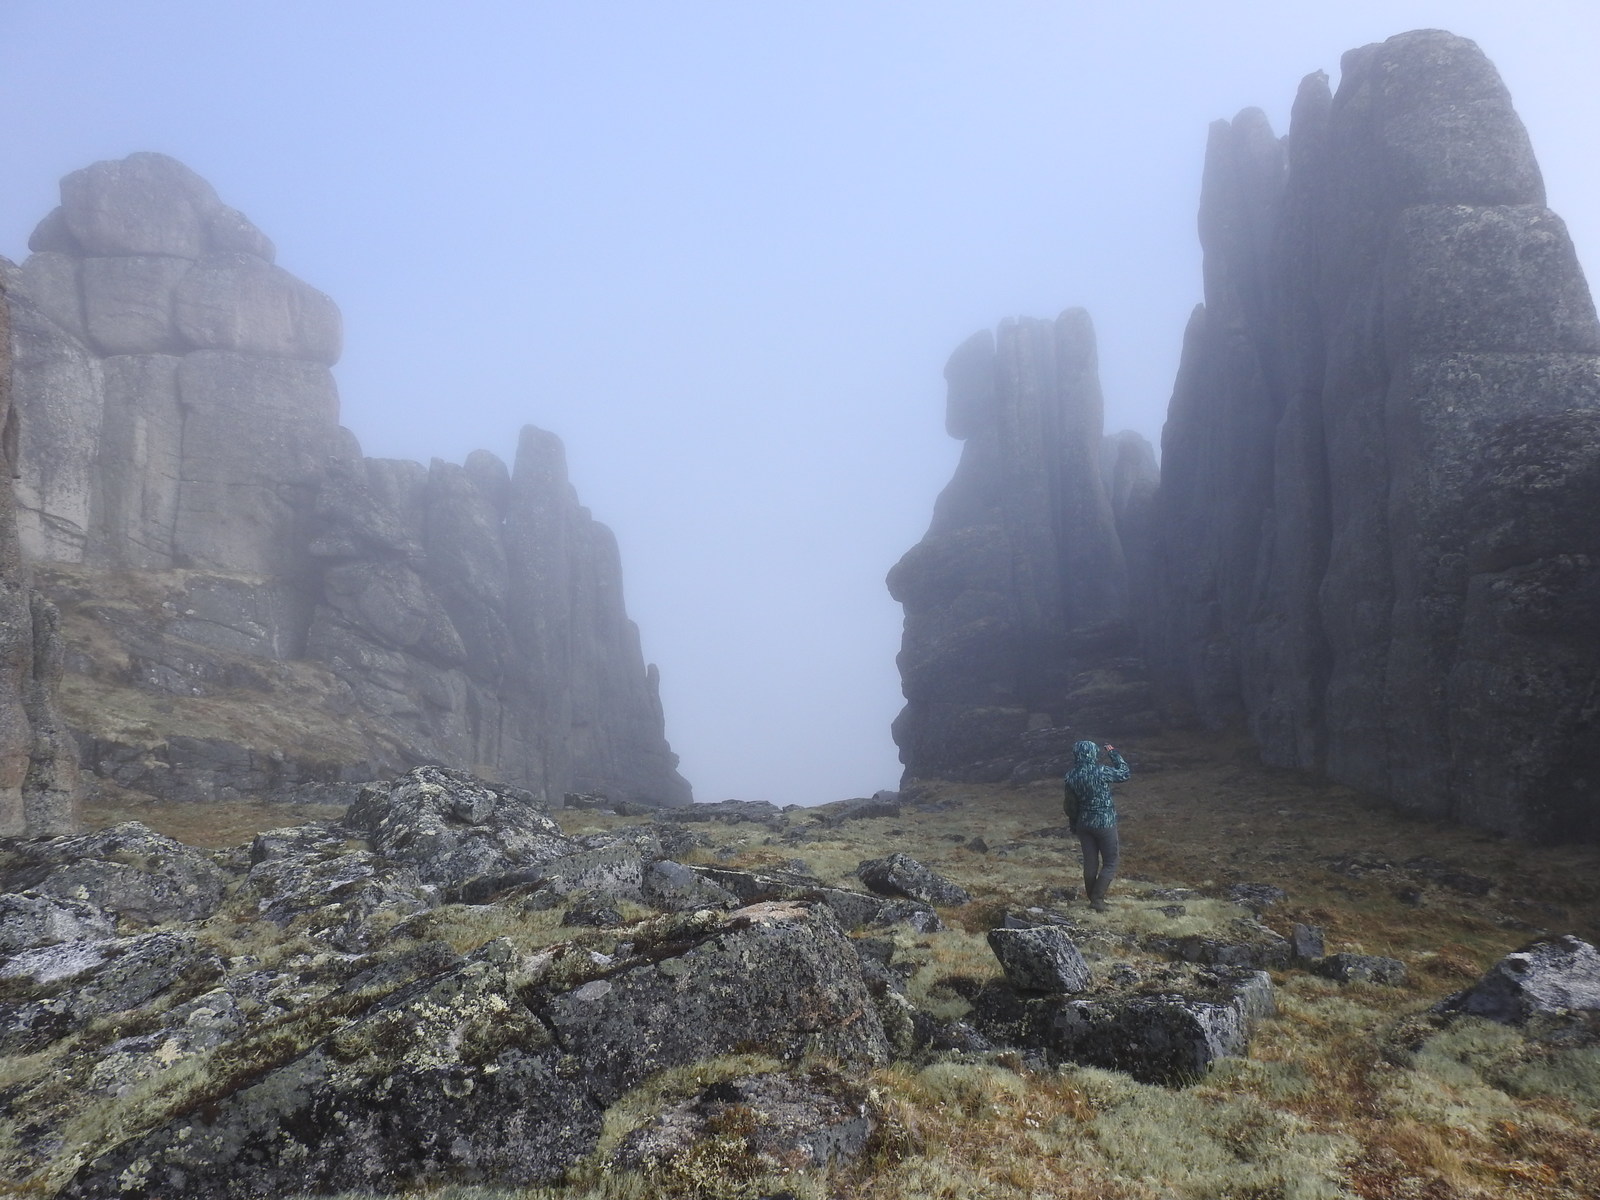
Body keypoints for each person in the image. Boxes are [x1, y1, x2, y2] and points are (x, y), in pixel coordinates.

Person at [1063, 739, 1130, 912]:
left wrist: (1073, 823)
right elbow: (1124, 773)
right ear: (1093, 753)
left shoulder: (1071, 776)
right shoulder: (1101, 771)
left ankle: (1093, 899)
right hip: (1104, 822)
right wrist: (1113, 752)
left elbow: (1070, 804)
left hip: (1083, 823)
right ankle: (1097, 900)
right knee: (1111, 862)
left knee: (1090, 863)